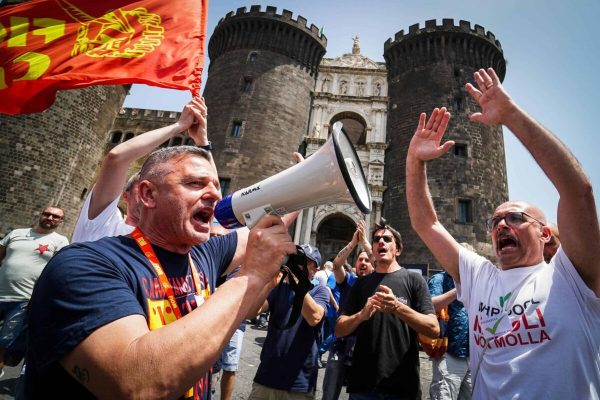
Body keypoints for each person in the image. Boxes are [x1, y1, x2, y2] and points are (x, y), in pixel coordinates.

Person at [23, 146, 298, 399]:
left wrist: (305, 181)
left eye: (215, 186)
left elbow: (267, 225)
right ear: (148, 194)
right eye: (194, 183)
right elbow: (138, 385)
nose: (216, 194)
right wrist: (251, 277)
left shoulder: (202, 255)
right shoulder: (83, 265)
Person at [406, 67, 600, 399]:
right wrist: (414, 160)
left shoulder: (574, 278)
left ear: (545, 235)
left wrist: (511, 116)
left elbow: (577, 191)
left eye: (515, 217)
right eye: (494, 221)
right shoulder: (481, 278)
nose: (500, 225)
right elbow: (427, 224)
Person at [71, 97, 210, 243]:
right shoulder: (102, 222)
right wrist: (179, 126)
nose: (150, 194)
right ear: (126, 196)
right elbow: (117, 158)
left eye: (159, 190)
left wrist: (203, 142)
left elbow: (211, 194)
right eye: (144, 187)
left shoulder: (169, 242)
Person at [335, 220, 438, 399]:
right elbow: (338, 329)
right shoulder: (360, 284)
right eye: (376, 239)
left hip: (402, 386)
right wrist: (361, 315)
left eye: (387, 239)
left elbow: (433, 329)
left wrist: (397, 307)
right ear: (373, 249)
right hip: (363, 386)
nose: (381, 242)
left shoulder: (414, 280)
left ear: (398, 250)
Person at [248, 244, 330, 399]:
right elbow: (252, 312)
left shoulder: (320, 291)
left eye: (304, 262)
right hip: (267, 377)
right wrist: (267, 286)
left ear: (314, 270)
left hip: (299, 383)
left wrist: (297, 284)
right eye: (295, 260)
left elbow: (315, 317)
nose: (296, 265)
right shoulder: (278, 288)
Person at [0, 207, 69, 377]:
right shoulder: (17, 233)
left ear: (60, 222)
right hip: (1, 291)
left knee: (5, 340)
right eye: (47, 214)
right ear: (41, 215)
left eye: (56, 217)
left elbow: (58, 270)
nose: (50, 218)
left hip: (25, 299)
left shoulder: (60, 241)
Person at [322, 220, 374, 400]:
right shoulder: (349, 280)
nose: (363, 262)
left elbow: (383, 262)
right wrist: (353, 243)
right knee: (330, 393)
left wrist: (366, 242)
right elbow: (336, 265)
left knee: (359, 395)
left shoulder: (377, 282)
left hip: (365, 346)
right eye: (360, 259)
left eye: (367, 260)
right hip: (341, 344)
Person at [427, 271, 471, 400]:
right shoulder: (440, 279)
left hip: (473, 354)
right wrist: (458, 289)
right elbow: (430, 304)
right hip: (448, 353)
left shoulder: (474, 280)